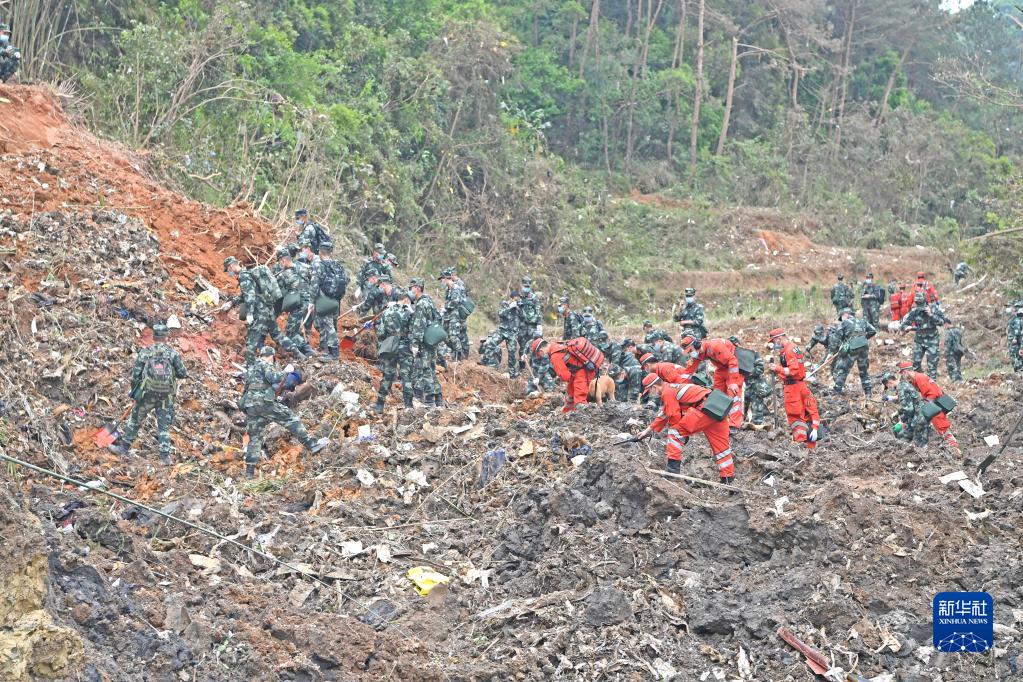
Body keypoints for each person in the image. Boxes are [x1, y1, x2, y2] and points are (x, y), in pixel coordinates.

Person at [239, 346, 330, 478]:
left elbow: (247, 387)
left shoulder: (251, 368)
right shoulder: (265, 364)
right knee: (290, 419)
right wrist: (285, 371)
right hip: (264, 403)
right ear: (271, 355)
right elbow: (274, 377)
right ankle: (311, 444)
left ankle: (249, 472)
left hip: (251, 405)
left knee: (255, 437)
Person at [107, 324, 188, 464]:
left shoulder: (145, 352)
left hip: (146, 395)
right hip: (165, 397)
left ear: (154, 336)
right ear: (166, 337)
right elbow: (182, 373)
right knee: (163, 426)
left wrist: (136, 393)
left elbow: (135, 375)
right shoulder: (172, 353)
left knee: (135, 420)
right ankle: (164, 457)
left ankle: (124, 448)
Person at [635, 376, 734, 482]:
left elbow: (673, 416)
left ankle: (672, 472)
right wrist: (647, 430)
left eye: (650, 391)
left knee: (674, 433)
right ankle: (727, 478)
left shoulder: (667, 392)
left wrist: (681, 434)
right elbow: (665, 414)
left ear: (654, 387)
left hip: (704, 409)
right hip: (717, 408)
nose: (651, 394)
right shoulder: (671, 388)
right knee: (721, 448)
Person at [223, 255, 295, 363]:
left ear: (232, 266)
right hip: (268, 309)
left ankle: (249, 367)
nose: (229, 272)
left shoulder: (243, 276)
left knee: (252, 339)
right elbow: (245, 295)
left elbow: (250, 296)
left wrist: (250, 313)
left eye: (228, 269)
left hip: (259, 311)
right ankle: (301, 354)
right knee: (277, 335)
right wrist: (231, 302)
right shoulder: (248, 273)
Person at [885, 362, 960, 453]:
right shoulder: (914, 380)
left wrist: (926, 406)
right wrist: (892, 398)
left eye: (902, 374)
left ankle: (954, 448)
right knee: (935, 425)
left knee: (941, 425)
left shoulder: (920, 378)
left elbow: (933, 393)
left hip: (935, 404)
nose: (903, 377)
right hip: (932, 403)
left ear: (906, 372)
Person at [767, 329, 820, 450]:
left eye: (774, 341)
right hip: (798, 385)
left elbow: (792, 371)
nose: (774, 344)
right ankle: (807, 445)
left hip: (793, 389)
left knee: (795, 416)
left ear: (779, 339)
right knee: (805, 412)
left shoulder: (789, 351)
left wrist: (777, 368)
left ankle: (800, 445)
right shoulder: (791, 349)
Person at [676, 335, 744, 429]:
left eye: (690, 351)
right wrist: (678, 386)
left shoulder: (715, 346)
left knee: (733, 394)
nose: (691, 354)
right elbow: (688, 371)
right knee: (718, 394)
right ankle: (719, 419)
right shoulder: (698, 353)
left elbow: (732, 361)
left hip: (734, 367)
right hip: (721, 368)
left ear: (696, 345)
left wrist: (733, 382)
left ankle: (734, 425)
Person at [531, 337, 604, 413]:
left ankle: (584, 418)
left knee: (580, 399)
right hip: (582, 369)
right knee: (570, 394)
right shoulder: (557, 344)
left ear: (541, 351)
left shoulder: (555, 356)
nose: (542, 356)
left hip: (583, 372)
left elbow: (565, 377)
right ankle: (567, 414)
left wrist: (559, 375)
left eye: (540, 354)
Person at [372, 288, 414, 411]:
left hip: (390, 346)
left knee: (388, 375)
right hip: (405, 347)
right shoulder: (409, 314)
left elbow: (380, 333)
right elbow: (414, 331)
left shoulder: (387, 312)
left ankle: (380, 404)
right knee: (406, 376)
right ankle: (408, 406)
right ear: (406, 299)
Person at [408, 277, 444, 407]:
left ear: (417, 288)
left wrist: (415, 344)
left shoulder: (421, 304)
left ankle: (429, 401)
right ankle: (439, 399)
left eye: (411, 288)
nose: (410, 291)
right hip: (431, 341)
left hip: (423, 343)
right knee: (431, 369)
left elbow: (419, 326)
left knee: (425, 370)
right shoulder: (429, 301)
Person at [275, 247, 315, 358]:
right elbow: (315, 282)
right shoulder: (305, 267)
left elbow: (276, 291)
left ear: (283, 260)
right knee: (296, 329)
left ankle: (307, 352)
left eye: (279, 261)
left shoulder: (283, 275)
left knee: (291, 332)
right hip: (309, 303)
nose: (280, 264)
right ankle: (306, 351)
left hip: (298, 305)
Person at [310, 241, 347, 358]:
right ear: (330, 252)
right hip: (336, 300)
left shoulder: (319, 265)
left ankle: (333, 353)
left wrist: (311, 301)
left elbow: (314, 285)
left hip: (324, 300)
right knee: (333, 325)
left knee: (328, 325)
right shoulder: (338, 265)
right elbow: (346, 280)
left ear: (320, 252)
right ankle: (328, 349)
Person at [899, 292, 949, 379]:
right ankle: (920, 381)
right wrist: (907, 327)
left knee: (932, 366)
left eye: (921, 304)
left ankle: (932, 386)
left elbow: (942, 322)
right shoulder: (915, 311)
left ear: (925, 301)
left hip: (932, 340)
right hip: (919, 340)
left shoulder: (933, 308)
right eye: (918, 303)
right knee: (916, 364)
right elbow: (903, 325)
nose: (920, 306)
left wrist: (931, 315)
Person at [829, 308, 877, 396]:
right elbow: (873, 330)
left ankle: (837, 391)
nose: (841, 319)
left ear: (845, 315)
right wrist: (863, 338)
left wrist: (831, 351)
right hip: (864, 348)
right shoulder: (863, 321)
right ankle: (868, 393)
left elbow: (836, 338)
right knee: (864, 371)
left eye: (841, 317)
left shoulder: (845, 322)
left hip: (852, 349)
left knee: (842, 370)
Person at [730, 335, 769, 429]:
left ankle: (759, 431)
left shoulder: (752, 354)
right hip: (740, 387)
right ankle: (739, 426)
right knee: (739, 409)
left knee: (757, 410)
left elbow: (760, 368)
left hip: (755, 386)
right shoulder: (729, 357)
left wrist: (747, 372)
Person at [439, 268, 468, 361]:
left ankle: (459, 357)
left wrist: (445, 307)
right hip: (448, 316)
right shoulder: (448, 289)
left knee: (453, 336)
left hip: (454, 316)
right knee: (444, 336)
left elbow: (455, 301)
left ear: (446, 278)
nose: (441, 281)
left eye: (442, 279)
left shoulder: (456, 288)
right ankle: (454, 353)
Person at [517, 277, 542, 372]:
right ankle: (521, 367)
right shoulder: (518, 296)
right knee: (522, 346)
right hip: (521, 326)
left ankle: (531, 368)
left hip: (532, 326)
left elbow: (538, 311)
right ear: (521, 285)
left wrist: (539, 325)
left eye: (528, 286)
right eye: (525, 286)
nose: (526, 288)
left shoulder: (534, 297)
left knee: (531, 346)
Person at [497, 296, 521, 378]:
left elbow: (524, 317)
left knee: (512, 354)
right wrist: (509, 308)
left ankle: (513, 374)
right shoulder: (505, 305)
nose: (516, 300)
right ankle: (493, 367)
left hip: (513, 334)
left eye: (517, 298)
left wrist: (518, 308)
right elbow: (501, 314)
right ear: (511, 298)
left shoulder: (519, 306)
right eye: (515, 298)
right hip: (503, 331)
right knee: (491, 344)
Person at [1007, 302, 1023, 372]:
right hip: (1013, 342)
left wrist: (1015, 338)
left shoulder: (1016, 319)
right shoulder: (1012, 318)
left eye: (1009, 306)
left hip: (1016, 343)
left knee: (1017, 359)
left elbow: (1018, 331)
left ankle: (1019, 372)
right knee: (1014, 358)